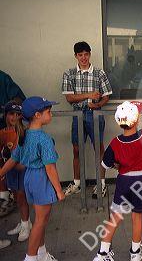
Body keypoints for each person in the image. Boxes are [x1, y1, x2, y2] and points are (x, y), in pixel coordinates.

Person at [93, 84, 142, 261]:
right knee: (136, 218)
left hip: (123, 182)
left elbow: (105, 164)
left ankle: (102, 253)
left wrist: (119, 166)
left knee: (114, 218)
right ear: (137, 120)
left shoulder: (115, 143)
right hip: (140, 181)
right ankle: (135, 253)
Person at [0, 96, 65, 261]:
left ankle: (41, 253)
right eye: (48, 112)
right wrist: (59, 190)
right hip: (40, 179)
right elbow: (50, 167)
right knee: (41, 221)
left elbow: (13, 159)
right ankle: (30, 257)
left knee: (39, 219)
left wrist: (0, 173)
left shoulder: (24, 134)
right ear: (37, 115)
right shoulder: (44, 139)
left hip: (28, 179)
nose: (51, 115)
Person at [62, 41, 112, 198]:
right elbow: (70, 98)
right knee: (76, 148)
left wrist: (98, 105)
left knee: (99, 148)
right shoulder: (69, 74)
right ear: (76, 56)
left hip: (94, 115)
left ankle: (101, 184)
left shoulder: (99, 73)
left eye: (86, 54)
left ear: (89, 54)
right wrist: (89, 95)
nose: (83, 58)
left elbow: (106, 96)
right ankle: (77, 183)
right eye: (80, 55)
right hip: (77, 115)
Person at [0, 101, 32, 241]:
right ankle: (25, 221)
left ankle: (26, 225)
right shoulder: (2, 133)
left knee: (21, 197)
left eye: (18, 114)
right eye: (11, 114)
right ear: (6, 115)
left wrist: (19, 164)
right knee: (16, 196)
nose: (14, 117)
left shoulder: (23, 132)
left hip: (20, 169)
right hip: (9, 170)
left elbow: (26, 156)